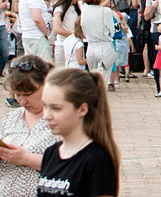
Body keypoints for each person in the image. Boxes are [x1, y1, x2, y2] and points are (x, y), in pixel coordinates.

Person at [38, 66, 119, 196]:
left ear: (82, 110)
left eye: (56, 108)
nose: (47, 115)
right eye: (45, 106)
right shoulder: (51, 153)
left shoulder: (96, 159)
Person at [0, 54, 54, 197]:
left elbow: (73, 164)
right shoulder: (11, 119)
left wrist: (26, 158)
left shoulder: (61, 118)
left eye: (27, 94)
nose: (21, 101)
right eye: (16, 95)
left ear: (45, 84)